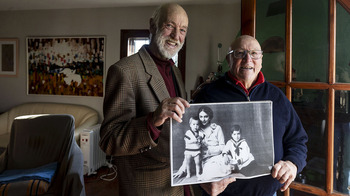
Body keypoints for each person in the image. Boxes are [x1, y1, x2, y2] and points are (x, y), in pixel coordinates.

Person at [193, 35, 308, 196]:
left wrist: (293, 164)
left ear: (261, 59)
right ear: (229, 59)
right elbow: (190, 145)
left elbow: (298, 140)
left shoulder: (277, 97)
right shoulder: (208, 95)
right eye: (240, 53)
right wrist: (200, 180)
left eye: (254, 54)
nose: (248, 59)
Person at [99, 3, 191, 196]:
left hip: (179, 183)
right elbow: (109, 140)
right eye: (169, 26)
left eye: (182, 30)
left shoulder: (174, 70)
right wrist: (153, 120)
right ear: (152, 26)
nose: (176, 36)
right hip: (146, 188)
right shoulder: (124, 71)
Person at [174, 106, 227, 181]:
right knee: (210, 172)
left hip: (217, 156)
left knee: (228, 165)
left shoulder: (217, 128)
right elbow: (190, 151)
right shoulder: (197, 130)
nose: (203, 119)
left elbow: (222, 146)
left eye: (206, 116)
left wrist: (209, 151)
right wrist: (182, 169)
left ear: (210, 117)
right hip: (206, 160)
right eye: (201, 116)